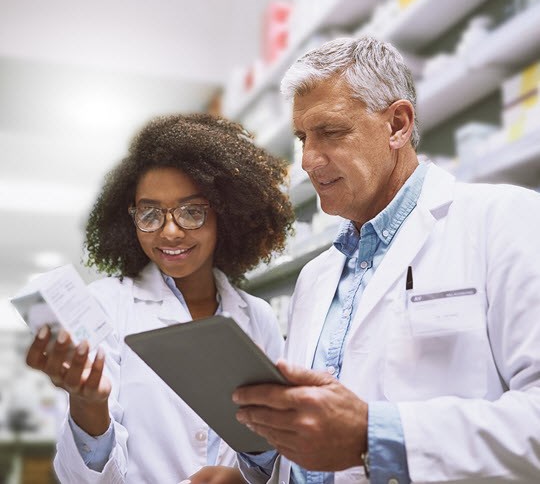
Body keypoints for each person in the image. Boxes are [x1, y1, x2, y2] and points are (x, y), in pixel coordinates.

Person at [232, 37, 540, 484]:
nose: (308, 160)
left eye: (330, 132)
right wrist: (263, 447)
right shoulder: (315, 279)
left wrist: (374, 435)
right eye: (302, 137)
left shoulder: (507, 220)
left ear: (397, 124)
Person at [25, 113, 295, 483]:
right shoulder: (106, 305)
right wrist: (88, 403)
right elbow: (81, 477)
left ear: (225, 214)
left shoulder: (258, 316)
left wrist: (247, 474)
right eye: (150, 214)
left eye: (191, 212)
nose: (169, 232)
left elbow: (284, 453)